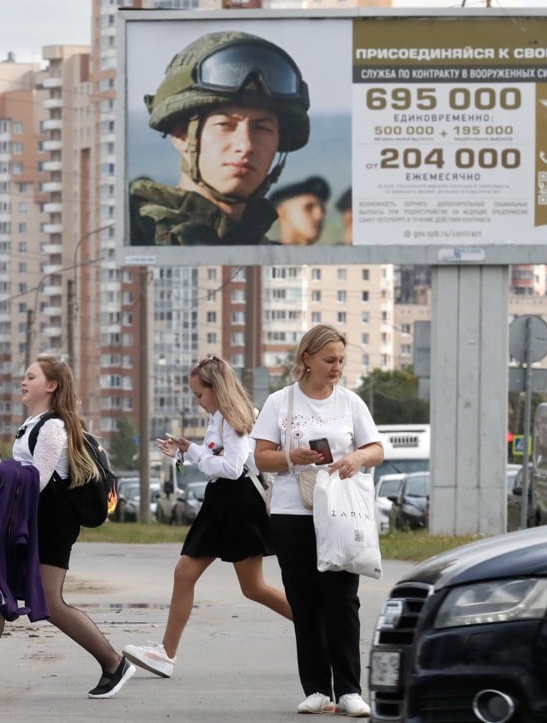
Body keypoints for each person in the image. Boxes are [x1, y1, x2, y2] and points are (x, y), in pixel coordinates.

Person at [0, 356, 134, 700]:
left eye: (30, 376)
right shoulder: (35, 423)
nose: (23, 381)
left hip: (52, 524)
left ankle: (114, 663)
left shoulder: (53, 427)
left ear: (51, 386)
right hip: (37, 521)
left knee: (50, 602)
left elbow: (37, 479)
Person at [122, 355, 291, 678]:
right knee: (185, 572)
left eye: (200, 394)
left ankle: (316, 628)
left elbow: (231, 467)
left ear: (217, 389)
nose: (197, 401)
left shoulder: (234, 416)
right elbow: (217, 460)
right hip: (222, 501)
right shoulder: (218, 417)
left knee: (252, 587)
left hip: (238, 503)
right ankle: (166, 654)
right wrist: (188, 450)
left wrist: (195, 453)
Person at [251, 324, 384, 718]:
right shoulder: (280, 402)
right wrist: (294, 456)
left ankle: (349, 691)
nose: (336, 368)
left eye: (341, 360)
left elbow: (376, 448)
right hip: (293, 513)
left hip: (340, 514)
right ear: (306, 359)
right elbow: (260, 457)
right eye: (329, 360)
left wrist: (356, 458)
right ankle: (315, 689)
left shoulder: (350, 403)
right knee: (304, 601)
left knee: (342, 600)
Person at [130, 31, 311, 246]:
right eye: (225, 125)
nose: (245, 146)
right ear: (181, 135)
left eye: (262, 129)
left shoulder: (272, 254)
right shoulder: (131, 233)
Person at [269, 175, 330, 246]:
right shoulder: (263, 254)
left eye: (323, 209)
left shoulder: (326, 256)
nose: (319, 216)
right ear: (282, 212)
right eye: (308, 208)